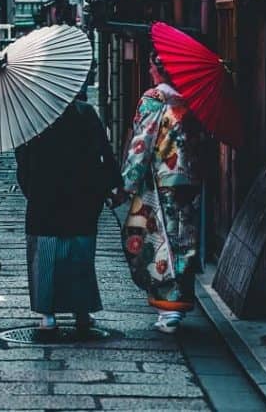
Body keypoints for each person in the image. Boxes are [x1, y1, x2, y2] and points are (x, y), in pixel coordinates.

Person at [15, 89, 123, 331]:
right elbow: (103, 153)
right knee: (80, 256)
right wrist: (111, 186)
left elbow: (22, 160)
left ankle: (47, 315)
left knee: (45, 257)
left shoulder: (33, 116)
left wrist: (32, 190)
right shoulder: (85, 112)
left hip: (45, 199)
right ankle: (82, 313)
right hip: (82, 197)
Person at [119, 51, 202, 333]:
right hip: (186, 179)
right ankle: (175, 304)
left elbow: (142, 141)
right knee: (182, 240)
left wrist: (129, 181)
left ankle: (168, 307)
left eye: (152, 65)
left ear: (158, 69)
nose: (150, 69)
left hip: (159, 180)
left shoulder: (154, 98)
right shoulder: (188, 99)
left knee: (157, 241)